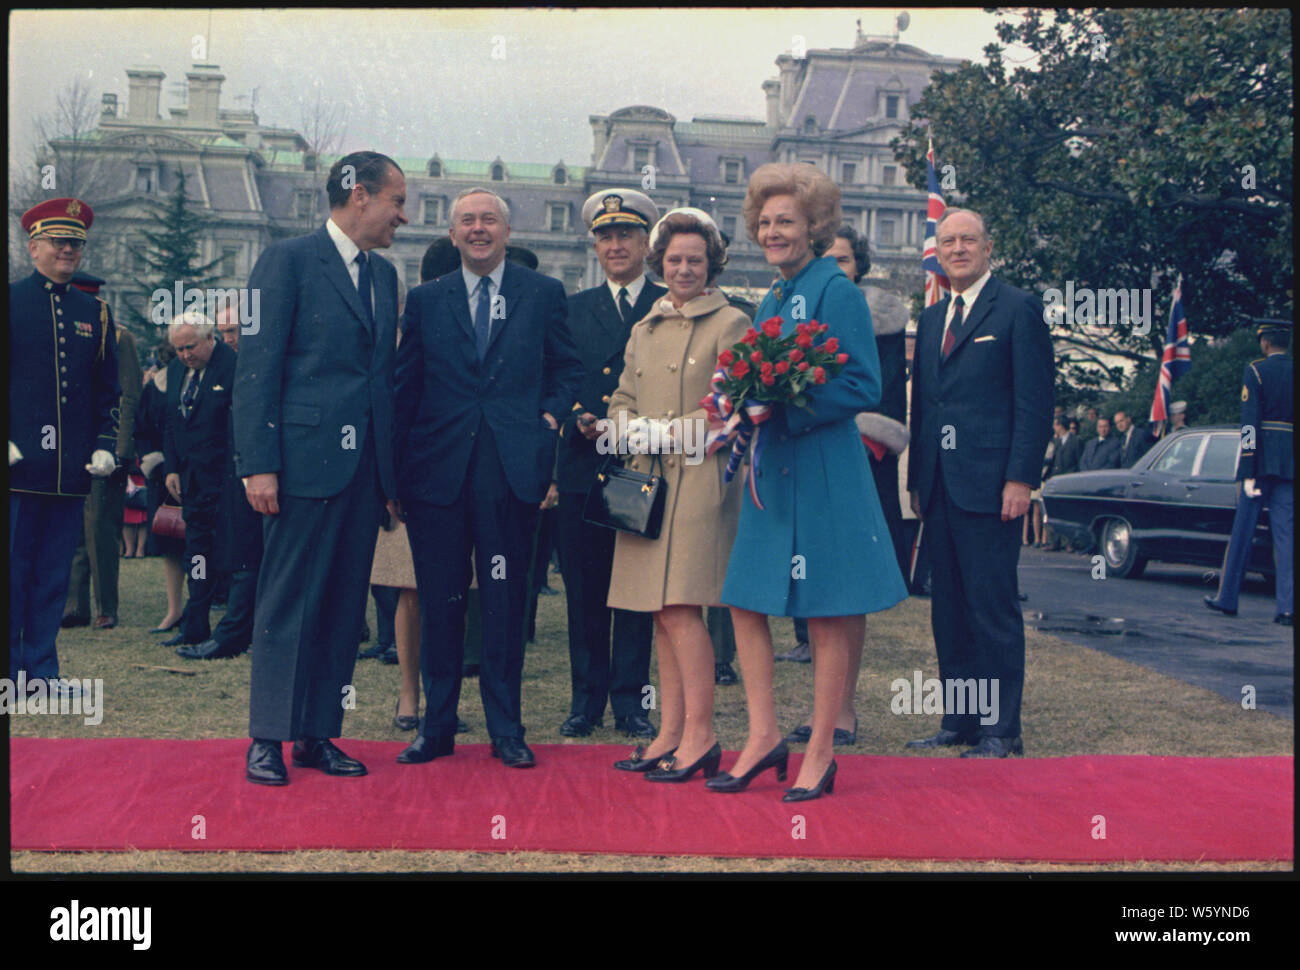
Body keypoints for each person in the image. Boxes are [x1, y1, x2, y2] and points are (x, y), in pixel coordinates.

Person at [710, 165, 906, 801]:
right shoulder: (771, 296)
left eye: (785, 221)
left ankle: (820, 751)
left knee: (825, 612)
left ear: (814, 226)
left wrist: (782, 406)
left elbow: (861, 387)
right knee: (743, 598)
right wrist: (744, 402)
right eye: (764, 222)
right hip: (775, 472)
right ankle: (763, 736)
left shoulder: (837, 290)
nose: (773, 231)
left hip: (824, 469)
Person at [394, 186, 582, 770]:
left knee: (503, 604)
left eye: (489, 221)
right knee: (442, 603)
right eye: (467, 221)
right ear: (452, 235)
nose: (478, 229)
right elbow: (405, 389)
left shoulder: (544, 294)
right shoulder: (426, 300)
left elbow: (567, 367)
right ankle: (437, 727)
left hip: (509, 475)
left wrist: (547, 420)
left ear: (507, 232)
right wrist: (397, 476)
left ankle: (506, 728)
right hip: (437, 477)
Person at [234, 150, 406, 786]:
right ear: (359, 196)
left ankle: (316, 735)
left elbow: (380, 382)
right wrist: (259, 464)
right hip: (299, 467)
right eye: (396, 200)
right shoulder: (286, 260)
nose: (402, 215)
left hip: (363, 476)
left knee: (340, 609)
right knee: (287, 603)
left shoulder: (385, 277)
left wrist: (388, 477)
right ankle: (267, 738)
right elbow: (258, 368)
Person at [599, 207, 750, 781]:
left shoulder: (731, 322)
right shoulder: (645, 328)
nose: (684, 268)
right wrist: (628, 425)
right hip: (646, 480)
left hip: (697, 477)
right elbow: (622, 395)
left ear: (711, 263)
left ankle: (702, 735)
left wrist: (672, 430)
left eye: (695, 259)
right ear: (659, 262)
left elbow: (728, 405)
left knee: (683, 609)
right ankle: (669, 731)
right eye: (674, 259)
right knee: (659, 614)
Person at [905, 207, 1054, 758]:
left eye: (969, 240)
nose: (958, 249)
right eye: (948, 241)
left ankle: (1001, 730)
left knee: (991, 608)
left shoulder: (1017, 309)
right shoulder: (934, 318)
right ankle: (960, 720)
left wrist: (1021, 478)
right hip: (940, 488)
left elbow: (1035, 406)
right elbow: (924, 407)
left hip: (993, 488)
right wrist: (919, 480)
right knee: (948, 608)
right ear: (937, 253)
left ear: (989, 248)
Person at [782, 222, 906, 743]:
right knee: (814, 583)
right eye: (827, 257)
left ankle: (843, 710)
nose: (835, 267)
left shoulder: (880, 320)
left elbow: (885, 394)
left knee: (846, 586)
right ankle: (822, 705)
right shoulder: (795, 306)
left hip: (862, 457)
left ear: (860, 267)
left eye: (845, 260)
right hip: (807, 455)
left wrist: (863, 434)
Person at [553, 188, 662, 740]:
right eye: (605, 236)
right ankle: (585, 701)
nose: (615, 245)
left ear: (648, 242)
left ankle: (631, 703)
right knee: (585, 590)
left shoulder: (669, 304)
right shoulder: (571, 309)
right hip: (584, 463)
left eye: (626, 235)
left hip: (644, 464)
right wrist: (577, 415)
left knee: (638, 591)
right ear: (594, 246)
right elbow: (556, 376)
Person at [10, 197, 120, 696]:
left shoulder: (93, 312)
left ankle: (41, 672)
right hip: (15, 469)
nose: (68, 251)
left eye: (75, 243)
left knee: (53, 577)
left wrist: (103, 445)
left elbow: (108, 390)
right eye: (58, 242)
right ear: (34, 247)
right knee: (13, 574)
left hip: (68, 474)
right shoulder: (11, 302)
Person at [61, 272, 142, 631]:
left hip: (105, 449)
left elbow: (128, 396)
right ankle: (74, 606)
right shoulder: (62, 337)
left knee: (100, 531)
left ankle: (106, 606)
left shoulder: (119, 337)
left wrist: (121, 451)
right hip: (69, 449)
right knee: (74, 531)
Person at [1205, 320, 1292, 625]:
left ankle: (1227, 598)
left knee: (1242, 531)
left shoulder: (1256, 371)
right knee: (1287, 537)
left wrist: (1248, 467)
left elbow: (1250, 424)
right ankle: (1287, 608)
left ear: (1265, 343)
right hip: (1290, 464)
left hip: (1261, 461)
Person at [159, 312, 236, 650]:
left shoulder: (232, 365)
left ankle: (235, 628)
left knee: (233, 556)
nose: (186, 355)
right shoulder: (177, 371)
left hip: (228, 483)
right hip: (192, 484)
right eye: (179, 349)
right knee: (197, 555)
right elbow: (172, 423)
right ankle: (195, 624)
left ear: (209, 339)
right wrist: (172, 468)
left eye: (191, 347)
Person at [134, 340, 186, 629]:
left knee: (202, 543)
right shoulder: (155, 387)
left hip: (197, 472)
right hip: (162, 476)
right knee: (170, 544)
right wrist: (154, 462)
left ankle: (203, 602)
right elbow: (141, 428)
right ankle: (174, 608)